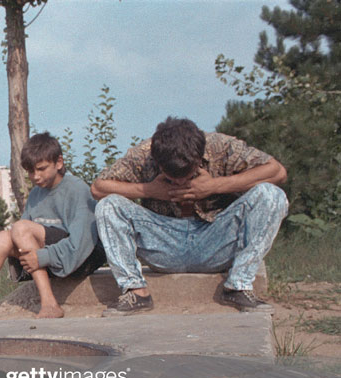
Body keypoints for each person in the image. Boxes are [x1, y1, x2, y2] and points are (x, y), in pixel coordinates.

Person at [91, 117, 288, 316]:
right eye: (171, 176)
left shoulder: (222, 145)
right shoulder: (143, 153)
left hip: (216, 239)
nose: (180, 181)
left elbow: (277, 171)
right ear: (158, 161)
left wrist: (215, 186)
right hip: (163, 243)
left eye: (187, 173)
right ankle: (136, 291)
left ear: (199, 156)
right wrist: (149, 190)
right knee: (108, 205)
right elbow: (98, 187)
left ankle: (239, 285)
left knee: (271, 195)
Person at [0, 132, 104, 321]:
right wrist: (36, 255)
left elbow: (81, 244)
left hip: (83, 258)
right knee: (4, 236)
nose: (35, 176)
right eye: (31, 171)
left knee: (21, 228)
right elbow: (20, 238)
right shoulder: (35, 195)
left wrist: (42, 256)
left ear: (59, 163)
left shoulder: (77, 190)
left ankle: (49, 303)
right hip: (49, 257)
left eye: (41, 169)